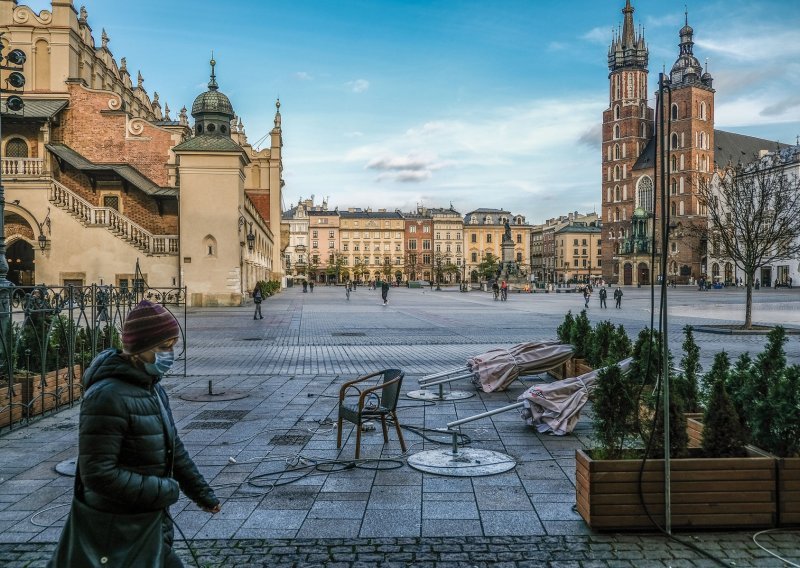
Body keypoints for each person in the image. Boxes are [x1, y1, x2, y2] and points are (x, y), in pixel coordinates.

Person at [51, 300, 220, 567]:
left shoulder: (152, 388)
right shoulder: (107, 396)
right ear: (139, 349)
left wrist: (202, 494)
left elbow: (172, 446)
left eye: (173, 346)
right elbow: (97, 473)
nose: (171, 354)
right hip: (117, 527)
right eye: (164, 348)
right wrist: (164, 489)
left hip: (146, 519)